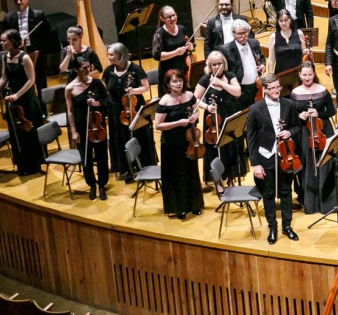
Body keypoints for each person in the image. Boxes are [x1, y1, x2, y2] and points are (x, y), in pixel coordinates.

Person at [246, 73, 300, 243]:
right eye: (273, 88)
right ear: (265, 89)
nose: (277, 91)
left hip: (285, 155)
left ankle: (287, 226)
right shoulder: (255, 109)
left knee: (286, 191)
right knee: (268, 194)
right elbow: (251, 139)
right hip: (265, 156)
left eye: (278, 87)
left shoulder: (289, 104)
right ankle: (272, 228)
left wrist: (289, 132)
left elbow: (297, 127)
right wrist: (255, 164)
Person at [292, 62, 338, 214]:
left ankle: (330, 201)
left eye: (310, 74)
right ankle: (311, 203)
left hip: (323, 131)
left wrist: (319, 114)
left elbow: (331, 111)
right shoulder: (295, 93)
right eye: (304, 75)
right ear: (299, 75)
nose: (307, 78)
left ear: (314, 74)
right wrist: (299, 115)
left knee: (327, 162)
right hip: (305, 133)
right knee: (308, 163)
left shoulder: (322, 91)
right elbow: (291, 114)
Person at [0, 29, 45, 176]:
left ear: (13, 41)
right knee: (17, 134)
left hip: (27, 99)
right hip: (13, 100)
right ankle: (22, 165)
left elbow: (31, 80)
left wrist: (17, 95)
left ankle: (34, 166)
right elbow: (3, 78)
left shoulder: (24, 58)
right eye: (1, 40)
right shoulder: (5, 57)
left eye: (4, 40)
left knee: (29, 132)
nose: (1, 43)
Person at [153, 69, 204, 220]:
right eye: (174, 81)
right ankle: (178, 208)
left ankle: (195, 205)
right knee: (176, 175)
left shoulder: (189, 95)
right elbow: (158, 125)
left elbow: (196, 111)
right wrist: (178, 123)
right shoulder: (164, 101)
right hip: (172, 143)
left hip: (189, 141)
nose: (178, 84)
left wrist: (194, 117)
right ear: (168, 84)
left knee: (191, 172)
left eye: (180, 80)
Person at [102, 42, 155, 175]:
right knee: (119, 137)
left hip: (133, 107)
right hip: (115, 110)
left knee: (138, 135)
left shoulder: (136, 69)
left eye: (111, 55)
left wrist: (133, 91)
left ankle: (141, 165)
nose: (109, 57)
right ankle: (124, 168)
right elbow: (105, 88)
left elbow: (145, 87)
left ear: (120, 55)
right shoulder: (109, 71)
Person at [196, 51, 243, 192]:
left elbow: (237, 92)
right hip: (213, 117)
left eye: (219, 63)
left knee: (229, 146)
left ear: (224, 64)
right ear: (209, 66)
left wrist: (221, 83)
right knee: (214, 148)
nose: (217, 67)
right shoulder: (205, 79)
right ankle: (218, 182)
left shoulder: (230, 76)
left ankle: (231, 178)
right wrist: (207, 107)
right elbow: (195, 99)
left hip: (228, 115)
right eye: (214, 64)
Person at [64, 57, 109, 200]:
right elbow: (70, 110)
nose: (88, 70)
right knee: (86, 158)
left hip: (98, 125)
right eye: (84, 67)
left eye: (88, 66)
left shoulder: (97, 83)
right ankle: (92, 185)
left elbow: (107, 101)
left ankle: (102, 185)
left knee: (102, 156)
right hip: (81, 126)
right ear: (76, 70)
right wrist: (73, 130)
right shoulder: (70, 88)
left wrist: (97, 103)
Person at [3, 0, 52, 99]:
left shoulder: (38, 15)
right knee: (24, 80)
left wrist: (40, 49)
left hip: (35, 51)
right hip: (19, 53)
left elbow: (47, 34)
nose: (18, 2)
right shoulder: (8, 18)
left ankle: (42, 106)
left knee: (40, 80)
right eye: (16, 0)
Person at [220, 19, 264, 112]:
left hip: (256, 87)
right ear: (233, 34)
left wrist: (262, 65)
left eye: (245, 32)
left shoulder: (255, 43)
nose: (243, 36)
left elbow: (261, 58)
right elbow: (225, 72)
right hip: (240, 90)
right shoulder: (226, 50)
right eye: (240, 33)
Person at [152, 5, 192, 95]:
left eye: (174, 15)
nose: (173, 18)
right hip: (167, 73)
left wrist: (190, 47)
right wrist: (176, 52)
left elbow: (187, 45)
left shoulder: (182, 29)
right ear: (162, 19)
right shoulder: (159, 33)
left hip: (182, 70)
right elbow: (157, 56)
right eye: (169, 17)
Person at [267, 8, 306, 75]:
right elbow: (271, 59)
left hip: (298, 73)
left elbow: (304, 52)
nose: (283, 23)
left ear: (290, 19)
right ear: (277, 22)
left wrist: (306, 51)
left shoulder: (299, 33)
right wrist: (270, 74)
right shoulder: (273, 37)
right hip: (281, 74)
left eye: (286, 20)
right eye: (281, 21)